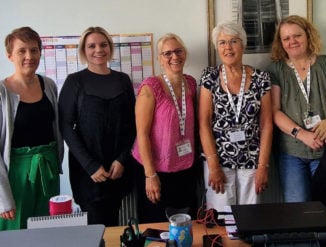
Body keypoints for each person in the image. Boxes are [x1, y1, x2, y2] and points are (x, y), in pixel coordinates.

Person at [267, 15, 326, 202]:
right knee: (297, 208)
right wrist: (301, 134)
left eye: (297, 35)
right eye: (286, 38)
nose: (292, 42)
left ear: (308, 36)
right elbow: (275, 111)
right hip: (291, 152)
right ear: (280, 43)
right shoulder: (276, 71)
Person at [58, 26, 136, 226]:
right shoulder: (75, 82)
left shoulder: (123, 80)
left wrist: (122, 160)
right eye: (91, 46)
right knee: (96, 228)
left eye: (103, 44)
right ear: (84, 51)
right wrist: (91, 166)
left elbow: (132, 125)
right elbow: (66, 127)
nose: (98, 50)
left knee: (113, 226)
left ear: (110, 47)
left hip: (118, 168)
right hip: (88, 173)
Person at [198, 21, 273, 212]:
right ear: (217, 47)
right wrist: (213, 164)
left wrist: (263, 166)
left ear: (243, 45)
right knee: (222, 217)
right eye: (222, 42)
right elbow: (204, 123)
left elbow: (266, 124)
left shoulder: (261, 78)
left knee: (251, 217)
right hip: (219, 159)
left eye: (233, 41)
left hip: (252, 159)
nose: (228, 47)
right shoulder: (209, 77)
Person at [0, 27, 64, 230]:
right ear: (10, 55)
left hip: (48, 169)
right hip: (15, 174)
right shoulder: (2, 92)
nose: (29, 56)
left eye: (34, 50)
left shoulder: (49, 85)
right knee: (17, 231)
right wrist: (3, 198)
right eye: (22, 51)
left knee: (48, 229)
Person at [131, 33, 198, 223]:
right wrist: (150, 175)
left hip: (185, 166)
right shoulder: (150, 88)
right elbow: (142, 135)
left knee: (185, 223)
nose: (174, 57)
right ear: (159, 59)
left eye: (178, 51)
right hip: (155, 169)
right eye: (167, 53)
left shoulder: (191, 83)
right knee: (156, 225)